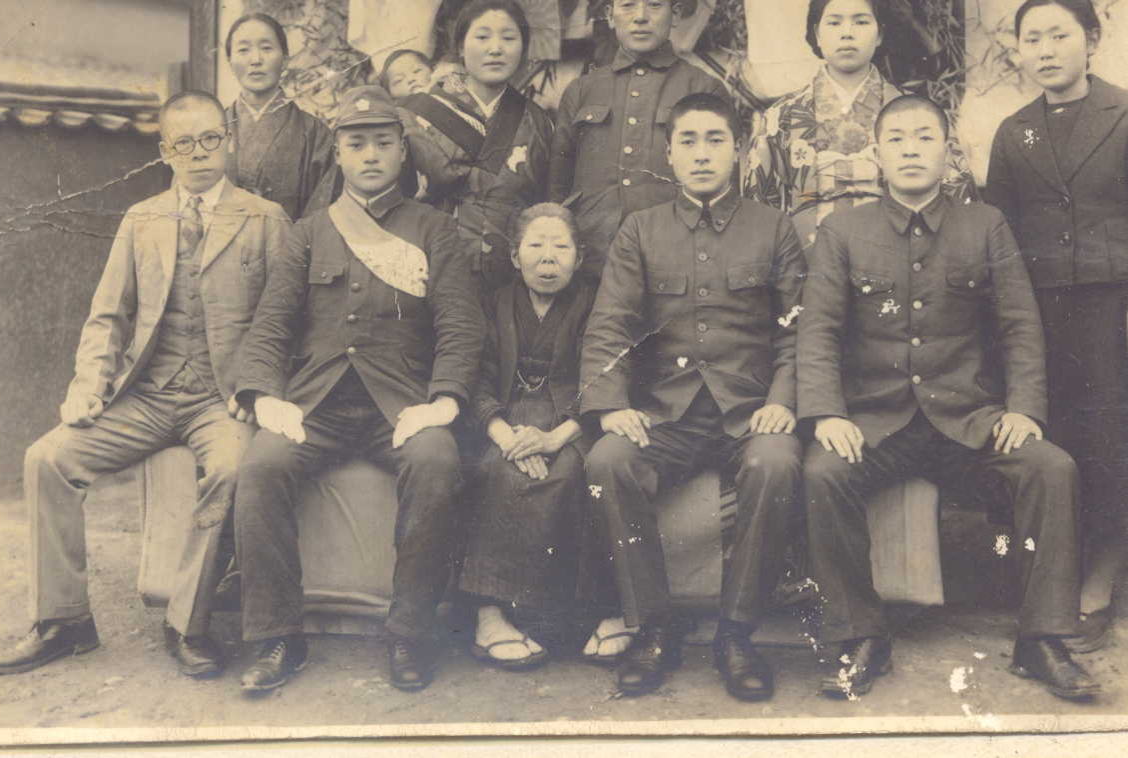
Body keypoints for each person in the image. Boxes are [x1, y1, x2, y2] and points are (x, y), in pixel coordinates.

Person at [798, 94, 1099, 702]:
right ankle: (861, 635)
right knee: (824, 473)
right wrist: (827, 412)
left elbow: (1019, 324)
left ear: (948, 150)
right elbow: (819, 329)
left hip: (966, 420)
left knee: (1051, 468)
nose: (911, 150)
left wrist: (1024, 409)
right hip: (878, 423)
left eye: (925, 137)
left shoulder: (984, 225)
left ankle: (1041, 638)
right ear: (877, 153)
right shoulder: (844, 230)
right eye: (897, 139)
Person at [0, 92, 290, 679]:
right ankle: (64, 620)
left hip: (221, 401)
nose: (198, 153)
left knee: (232, 469)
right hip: (146, 395)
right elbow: (108, 315)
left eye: (209, 139)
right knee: (47, 458)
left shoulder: (266, 219)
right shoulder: (141, 218)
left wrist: (259, 391)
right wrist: (88, 385)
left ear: (228, 139)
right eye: (184, 143)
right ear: (164, 152)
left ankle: (187, 623)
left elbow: (283, 322)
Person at [230, 85, 484, 694]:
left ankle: (408, 634)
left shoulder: (434, 231)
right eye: (357, 144)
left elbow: (460, 325)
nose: (370, 155)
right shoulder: (309, 233)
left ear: (403, 152)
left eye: (383, 143)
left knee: (435, 461)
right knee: (260, 466)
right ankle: (277, 636)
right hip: (316, 402)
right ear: (339, 154)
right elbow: (270, 325)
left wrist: (443, 400)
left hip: (400, 404)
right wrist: (264, 396)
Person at [578, 92, 805, 700]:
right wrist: (612, 405)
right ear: (669, 155)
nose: (702, 154)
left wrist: (783, 399)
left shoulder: (773, 227)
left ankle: (737, 633)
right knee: (608, 461)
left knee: (776, 462)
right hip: (666, 415)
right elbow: (610, 324)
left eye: (715, 140)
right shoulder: (641, 230)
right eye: (688, 141)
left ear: (739, 151)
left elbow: (799, 328)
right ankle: (653, 627)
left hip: (749, 413)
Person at [984, 0, 1128, 655]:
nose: (1045, 51)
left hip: (1112, 309)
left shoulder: (1123, 115)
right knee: (1055, 437)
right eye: (1031, 39)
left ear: (1092, 40)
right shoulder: (1014, 132)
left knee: (1108, 440)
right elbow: (998, 234)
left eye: (1059, 35)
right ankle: (1051, 577)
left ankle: (1101, 577)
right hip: (1039, 310)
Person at [743, 0, 974, 255]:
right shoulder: (780, 118)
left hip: (901, 260)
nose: (847, 33)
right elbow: (757, 214)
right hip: (808, 263)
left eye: (861, 21)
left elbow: (956, 199)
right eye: (834, 22)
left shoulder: (918, 115)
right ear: (817, 35)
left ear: (880, 34)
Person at [462, 202, 596, 670]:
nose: (548, 258)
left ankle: (557, 619)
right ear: (514, 256)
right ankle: (489, 614)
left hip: (569, 422)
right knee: (493, 470)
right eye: (535, 245)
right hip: (503, 418)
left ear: (580, 257)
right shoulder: (492, 303)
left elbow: (604, 377)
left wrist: (556, 438)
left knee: (569, 472)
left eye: (561, 247)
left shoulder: (595, 303)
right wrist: (503, 435)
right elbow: (475, 377)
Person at [548, 0, 729, 277]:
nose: (641, 17)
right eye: (628, 4)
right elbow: (557, 185)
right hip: (591, 259)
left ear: (675, 14)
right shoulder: (582, 90)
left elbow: (723, 189)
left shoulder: (702, 88)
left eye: (654, 4)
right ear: (610, 15)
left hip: (676, 259)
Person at [399, 0, 553, 290]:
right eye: (482, 37)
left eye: (508, 38)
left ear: (523, 48)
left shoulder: (539, 123)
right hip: (427, 270)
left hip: (510, 279)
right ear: (460, 46)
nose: (495, 49)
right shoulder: (414, 113)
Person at [224, 12, 339, 220]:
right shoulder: (212, 127)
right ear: (230, 62)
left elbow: (322, 214)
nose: (256, 60)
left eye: (266, 48)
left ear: (285, 60)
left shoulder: (316, 134)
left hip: (291, 240)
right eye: (243, 50)